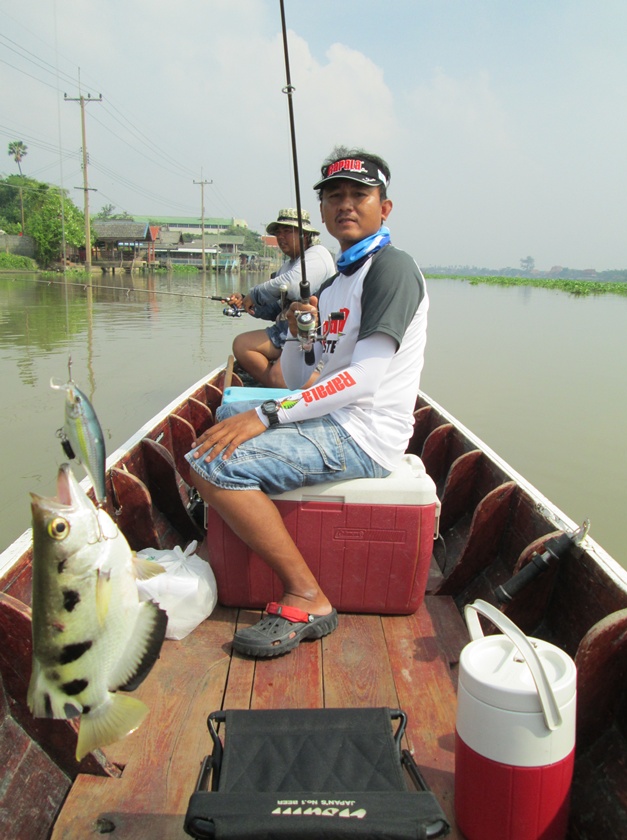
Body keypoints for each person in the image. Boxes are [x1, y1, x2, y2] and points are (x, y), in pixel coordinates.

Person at [186, 146, 429, 658]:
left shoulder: (392, 269)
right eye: (335, 196)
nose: (346, 204)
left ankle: (308, 595)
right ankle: (238, 511)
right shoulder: (335, 282)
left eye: (359, 194)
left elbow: (364, 379)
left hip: (365, 435)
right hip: (332, 416)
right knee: (228, 409)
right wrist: (301, 333)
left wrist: (268, 415)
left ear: (384, 207)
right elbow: (296, 377)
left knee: (206, 465)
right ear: (322, 212)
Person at [229, 209, 334, 387]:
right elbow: (275, 308)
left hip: (311, 334)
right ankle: (276, 384)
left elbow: (292, 285)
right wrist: (246, 303)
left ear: (305, 235)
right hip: (284, 332)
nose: (281, 237)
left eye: (287, 231)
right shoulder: (287, 265)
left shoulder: (318, 254)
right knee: (241, 345)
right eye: (278, 232)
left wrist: (254, 294)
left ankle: (329, 384)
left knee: (280, 376)